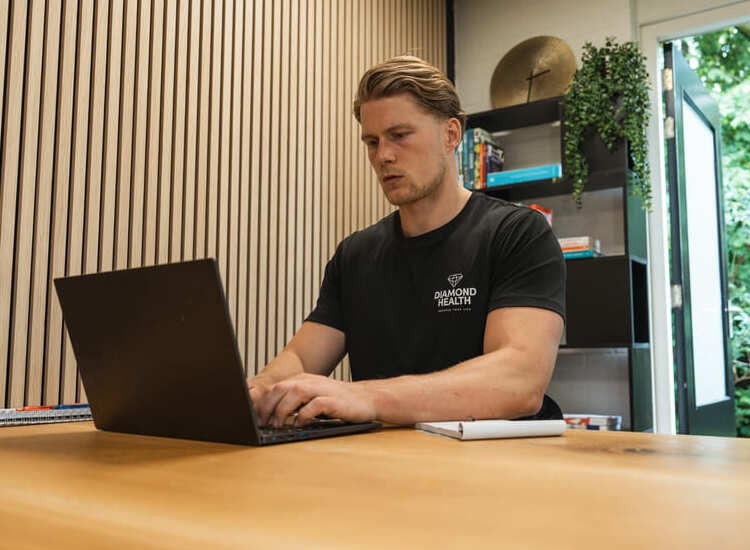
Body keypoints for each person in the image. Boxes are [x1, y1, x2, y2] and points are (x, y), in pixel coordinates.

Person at [247, 56, 565, 428]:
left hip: (492, 459)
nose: (383, 156)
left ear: (450, 135)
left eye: (399, 136)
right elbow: (302, 359)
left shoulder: (518, 233)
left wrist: (366, 397)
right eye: (372, 142)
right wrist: (262, 389)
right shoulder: (355, 254)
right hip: (385, 456)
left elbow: (519, 381)